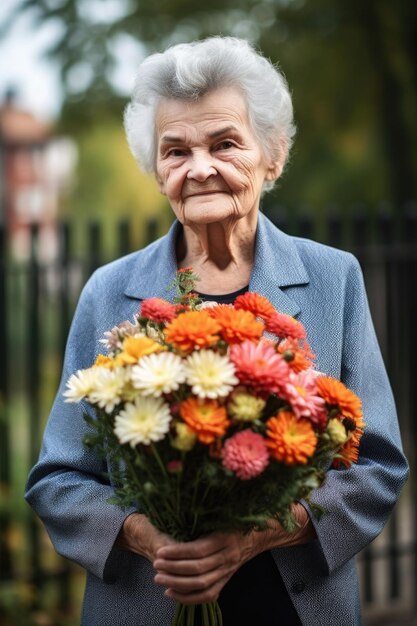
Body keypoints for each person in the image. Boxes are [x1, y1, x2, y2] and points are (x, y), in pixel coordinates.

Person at [25, 37, 408, 626]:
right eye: (175, 151)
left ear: (272, 156)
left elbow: (378, 466)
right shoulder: (108, 291)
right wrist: (147, 536)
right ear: (158, 172)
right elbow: (57, 478)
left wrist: (262, 534)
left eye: (224, 144)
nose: (199, 168)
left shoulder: (335, 279)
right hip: (146, 604)